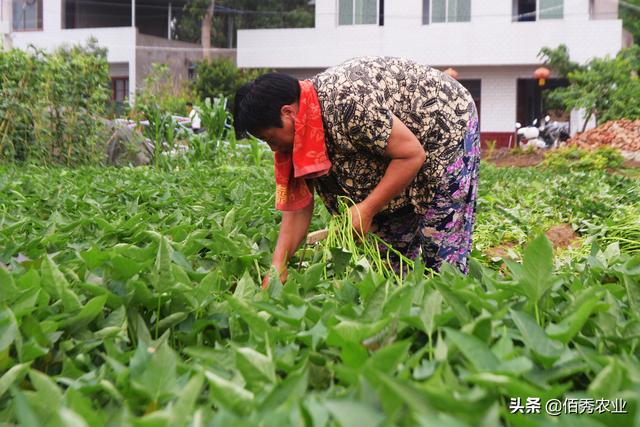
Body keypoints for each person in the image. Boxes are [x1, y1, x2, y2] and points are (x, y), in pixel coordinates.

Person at [234, 56, 480, 287]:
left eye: (269, 138)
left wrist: (367, 208)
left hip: (444, 126)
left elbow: (411, 154)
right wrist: (278, 267)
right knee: (387, 266)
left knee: (440, 248)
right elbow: (297, 207)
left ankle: (450, 307)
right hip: (398, 148)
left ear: (287, 113)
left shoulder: (347, 100)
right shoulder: (299, 131)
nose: (272, 147)